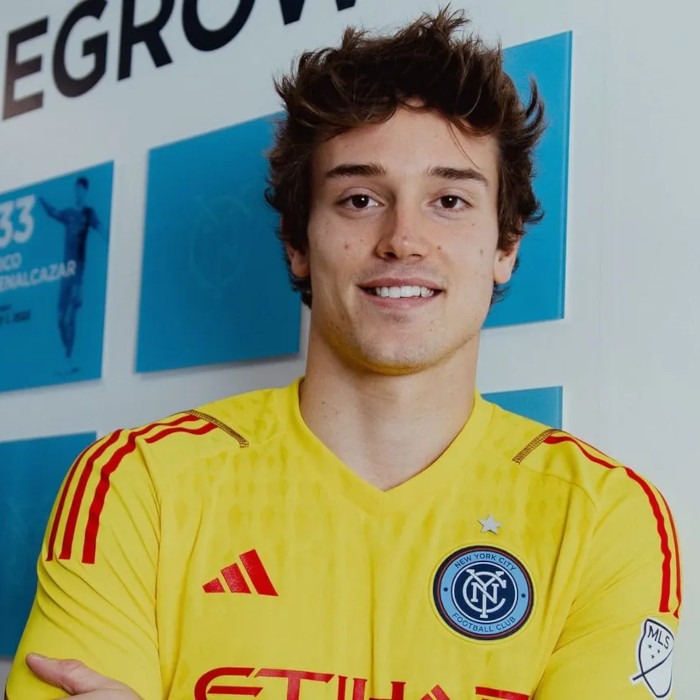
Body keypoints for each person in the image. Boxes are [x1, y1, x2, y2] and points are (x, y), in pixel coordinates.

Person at [5, 9, 681, 700]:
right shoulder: (139, 483)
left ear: (505, 247)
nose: (403, 239)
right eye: (359, 199)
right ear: (298, 242)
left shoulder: (605, 516)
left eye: (450, 200)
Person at [38, 177, 102, 363]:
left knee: (69, 318)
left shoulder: (89, 213)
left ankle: (70, 356)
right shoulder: (68, 213)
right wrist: (41, 200)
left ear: (85, 191)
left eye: (81, 189)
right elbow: (53, 212)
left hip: (78, 272)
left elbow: (101, 228)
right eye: (76, 189)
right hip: (65, 273)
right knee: (60, 320)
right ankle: (67, 350)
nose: (78, 192)